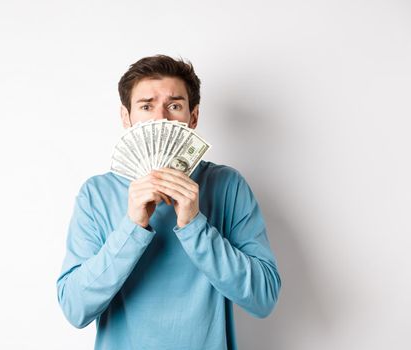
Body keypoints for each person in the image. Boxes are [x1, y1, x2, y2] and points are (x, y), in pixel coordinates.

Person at [56, 55, 281, 350]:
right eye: (146, 106)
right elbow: (75, 308)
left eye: (174, 105)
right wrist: (132, 226)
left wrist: (194, 224)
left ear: (193, 116)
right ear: (127, 118)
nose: (160, 118)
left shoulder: (227, 186)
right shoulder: (96, 193)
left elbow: (263, 298)